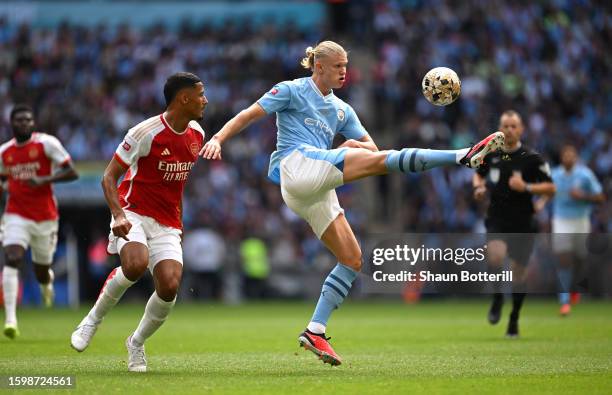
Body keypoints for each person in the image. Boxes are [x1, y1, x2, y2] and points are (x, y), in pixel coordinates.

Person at [201, 41, 504, 365]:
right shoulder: (290, 90)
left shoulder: (343, 109)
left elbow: (370, 148)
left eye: (346, 65)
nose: (345, 71)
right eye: (338, 66)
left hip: (314, 187)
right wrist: (218, 138)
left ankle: (315, 330)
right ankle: (462, 156)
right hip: (295, 167)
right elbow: (249, 115)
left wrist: (351, 145)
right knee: (387, 159)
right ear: (319, 66)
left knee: (352, 259)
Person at [70, 72, 207, 372]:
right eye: (200, 94)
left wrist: (178, 225)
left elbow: (177, 185)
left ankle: (136, 342)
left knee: (170, 286)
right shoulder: (144, 132)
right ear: (183, 98)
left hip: (167, 221)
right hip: (132, 211)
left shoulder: (197, 134)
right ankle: (91, 321)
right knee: (134, 264)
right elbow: (109, 176)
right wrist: (118, 214)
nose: (205, 100)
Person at [473, 110, 555, 338]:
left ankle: (514, 318)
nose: (509, 130)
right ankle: (498, 296)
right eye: (505, 126)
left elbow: (550, 187)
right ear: (500, 128)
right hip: (498, 217)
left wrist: (528, 189)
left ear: (521, 130)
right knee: (495, 256)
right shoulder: (491, 154)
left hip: (524, 221)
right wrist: (478, 187)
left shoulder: (532, 158)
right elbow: (478, 174)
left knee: (518, 275)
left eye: (513, 126)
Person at [0, 104, 78, 339]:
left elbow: (72, 172)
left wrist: (44, 179)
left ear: (33, 123)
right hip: (15, 214)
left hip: (45, 218)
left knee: (41, 270)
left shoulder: (46, 144)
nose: (24, 124)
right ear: (11, 124)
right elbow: (3, 181)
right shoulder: (4, 152)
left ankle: (47, 285)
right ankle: (11, 318)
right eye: (19, 120)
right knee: (12, 258)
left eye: (28, 120)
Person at [550, 144, 604, 316]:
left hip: (581, 219)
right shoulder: (554, 174)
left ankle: (575, 287)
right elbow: (545, 193)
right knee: (564, 259)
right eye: (565, 155)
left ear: (576, 157)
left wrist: (583, 196)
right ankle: (564, 301)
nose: (568, 158)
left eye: (571, 155)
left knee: (580, 258)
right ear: (561, 157)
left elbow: (600, 197)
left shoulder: (585, 174)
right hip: (561, 220)